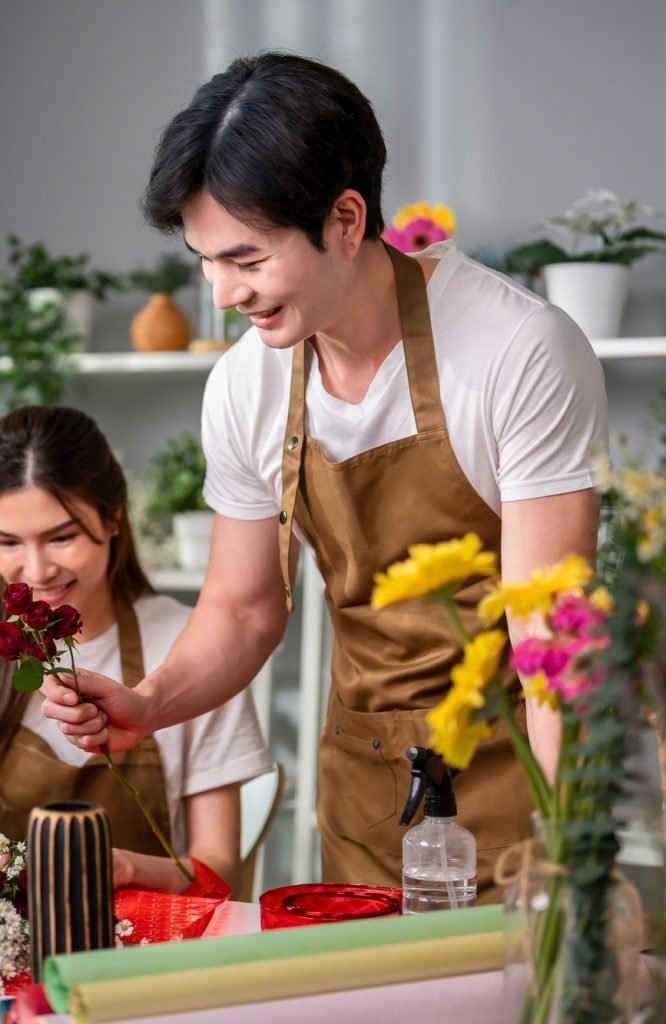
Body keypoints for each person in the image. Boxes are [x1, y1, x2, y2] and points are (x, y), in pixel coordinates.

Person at [41, 53, 608, 901]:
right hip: (367, 795)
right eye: (204, 260)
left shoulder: (517, 351)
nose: (223, 292)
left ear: (347, 218)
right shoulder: (247, 383)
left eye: (246, 259)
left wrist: (568, 857)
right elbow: (243, 607)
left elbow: (548, 646)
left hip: (519, 780)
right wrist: (151, 700)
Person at [0, 404, 272, 897]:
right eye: (7, 542)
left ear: (113, 517)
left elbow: (219, 872)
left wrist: (126, 869)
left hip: (147, 960)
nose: (36, 571)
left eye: (62, 537)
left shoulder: (192, 648)